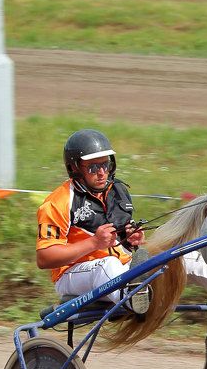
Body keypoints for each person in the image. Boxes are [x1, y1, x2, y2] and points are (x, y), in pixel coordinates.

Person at [36, 129, 147, 304]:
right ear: (74, 168)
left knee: (172, 256)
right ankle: (133, 299)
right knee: (108, 264)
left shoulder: (118, 190)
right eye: (93, 167)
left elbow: (124, 237)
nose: (102, 172)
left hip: (120, 267)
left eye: (106, 165)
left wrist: (131, 238)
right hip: (73, 274)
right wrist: (94, 243)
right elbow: (44, 258)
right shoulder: (58, 202)